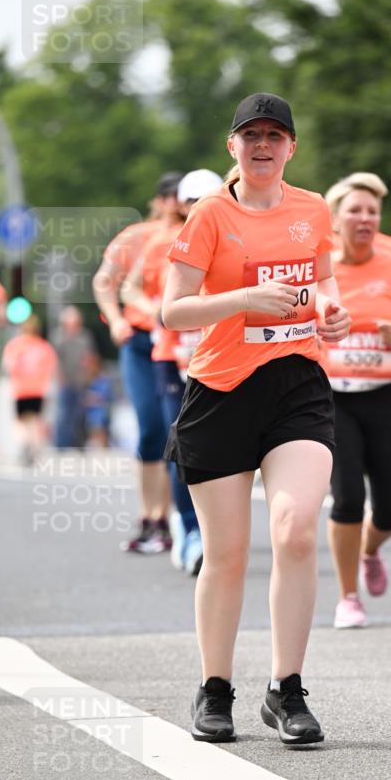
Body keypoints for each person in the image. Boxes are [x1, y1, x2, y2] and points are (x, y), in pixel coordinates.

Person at [162, 93, 350, 745]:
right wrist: (243, 299)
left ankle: (286, 689)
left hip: (297, 382)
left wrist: (331, 307)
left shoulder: (311, 208)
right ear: (232, 147)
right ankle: (215, 689)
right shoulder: (211, 214)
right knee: (230, 553)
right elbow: (172, 312)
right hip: (220, 389)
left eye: (275, 134)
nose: (263, 144)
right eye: (251, 135)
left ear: (291, 147)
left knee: (297, 529)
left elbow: (323, 281)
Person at [322, 174, 391, 629]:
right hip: (332, 397)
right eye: (355, 211)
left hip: (386, 394)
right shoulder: (318, 265)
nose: (365, 219)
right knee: (347, 497)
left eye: (372, 211)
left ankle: (369, 549)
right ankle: (348, 596)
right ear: (335, 218)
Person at [121, 168, 223, 576]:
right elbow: (129, 288)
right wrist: (157, 313)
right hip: (172, 357)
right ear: (181, 205)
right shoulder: (163, 242)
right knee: (181, 444)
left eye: (207, 199)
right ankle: (189, 528)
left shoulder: (238, 237)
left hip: (221, 356)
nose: (199, 209)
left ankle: (212, 529)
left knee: (219, 451)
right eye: (192, 201)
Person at [93, 172, 184, 554]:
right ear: (160, 201)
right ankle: (151, 516)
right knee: (149, 426)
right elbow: (104, 281)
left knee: (170, 429)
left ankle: (168, 516)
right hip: (141, 342)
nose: (181, 207)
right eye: (175, 199)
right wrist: (115, 320)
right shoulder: (136, 237)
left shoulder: (200, 233)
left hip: (181, 343)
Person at [2, 313, 58, 466]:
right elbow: (52, 368)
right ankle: (34, 449)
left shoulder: (14, 345)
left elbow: (8, 365)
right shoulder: (44, 346)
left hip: (20, 388)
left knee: (21, 421)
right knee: (35, 420)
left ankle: (24, 443)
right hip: (38, 389)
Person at [50, 305, 97, 449]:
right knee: (63, 413)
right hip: (64, 381)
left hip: (81, 381)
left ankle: (78, 443)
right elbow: (54, 359)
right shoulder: (58, 336)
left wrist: (89, 375)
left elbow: (90, 357)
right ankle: (61, 444)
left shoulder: (85, 336)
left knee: (80, 414)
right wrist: (59, 377)